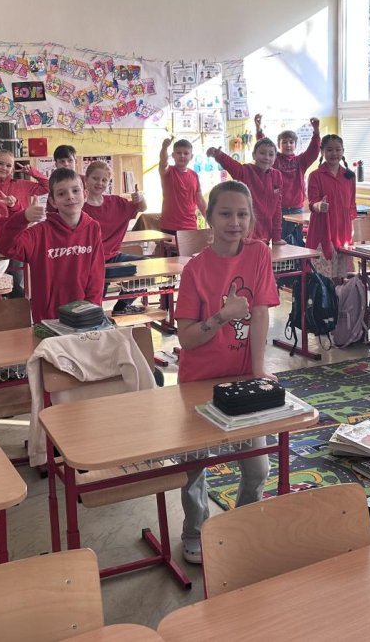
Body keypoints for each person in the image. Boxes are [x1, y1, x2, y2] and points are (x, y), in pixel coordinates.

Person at [174, 181, 278, 565]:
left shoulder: (258, 253)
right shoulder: (195, 270)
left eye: (242, 214)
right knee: (194, 467)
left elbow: (261, 312)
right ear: (209, 217)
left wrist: (257, 372)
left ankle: (242, 523)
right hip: (198, 382)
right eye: (226, 214)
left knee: (258, 466)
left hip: (242, 381)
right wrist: (223, 316)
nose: (235, 222)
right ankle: (194, 530)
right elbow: (187, 339)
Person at [0, 168, 105, 323]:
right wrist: (23, 217)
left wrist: (93, 308)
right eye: (61, 193)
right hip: (48, 318)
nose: (70, 197)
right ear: (53, 201)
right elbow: (4, 245)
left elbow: (96, 273)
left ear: (85, 194)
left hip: (84, 315)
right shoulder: (40, 232)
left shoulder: (93, 228)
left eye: (75, 191)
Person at [0, 151, 50, 298]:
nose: (4, 168)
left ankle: (19, 305)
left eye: (8, 165)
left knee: (15, 283)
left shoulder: (22, 185)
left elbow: (48, 187)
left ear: (12, 169)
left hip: (18, 239)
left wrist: (33, 172)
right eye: (0, 163)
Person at [81, 160, 147, 315]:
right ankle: (94, 315)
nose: (100, 183)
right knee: (95, 303)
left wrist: (140, 198)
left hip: (114, 257)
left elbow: (142, 207)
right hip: (89, 261)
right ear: (86, 179)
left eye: (104, 180)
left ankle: (122, 306)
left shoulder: (116, 202)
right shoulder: (79, 206)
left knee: (146, 267)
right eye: (95, 178)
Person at [255, 114, 321, 247]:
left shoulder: (301, 161)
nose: (288, 145)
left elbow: (314, 151)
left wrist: (316, 130)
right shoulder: (274, 159)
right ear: (279, 144)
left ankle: (298, 261)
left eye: (291, 142)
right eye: (284, 142)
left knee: (296, 243)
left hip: (296, 209)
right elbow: (264, 146)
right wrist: (258, 128)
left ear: (295, 144)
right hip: (277, 209)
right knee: (279, 243)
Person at [206, 139, 284, 244]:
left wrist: (277, 237)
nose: (266, 157)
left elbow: (277, 208)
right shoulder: (245, 171)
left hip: (266, 236)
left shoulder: (277, 176)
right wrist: (218, 155)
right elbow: (231, 165)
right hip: (245, 235)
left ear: (275, 158)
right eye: (262, 153)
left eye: (271, 154)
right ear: (254, 155)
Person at [306, 134, 357, 275]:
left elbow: (352, 204)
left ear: (343, 151)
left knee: (343, 275)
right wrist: (319, 206)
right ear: (322, 152)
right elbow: (312, 202)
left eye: (338, 150)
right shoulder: (315, 175)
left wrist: (351, 226)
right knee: (323, 277)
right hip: (323, 228)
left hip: (343, 230)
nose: (334, 153)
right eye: (329, 150)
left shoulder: (349, 176)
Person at [158, 138, 206, 240]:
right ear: (173, 155)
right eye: (178, 153)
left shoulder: (194, 175)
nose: (182, 155)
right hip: (169, 227)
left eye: (186, 153)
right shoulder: (167, 171)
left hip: (190, 227)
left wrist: (211, 220)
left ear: (191, 156)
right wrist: (164, 147)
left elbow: (200, 201)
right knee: (168, 252)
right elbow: (163, 162)